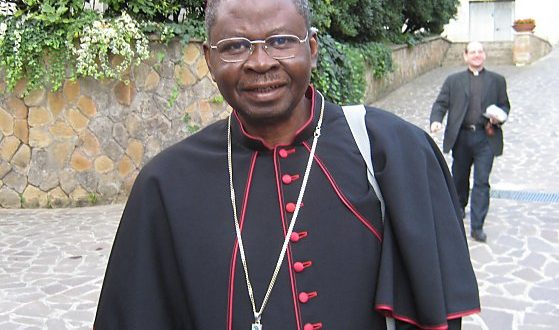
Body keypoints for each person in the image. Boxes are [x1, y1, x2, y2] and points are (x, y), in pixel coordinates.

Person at [94, 0, 480, 329]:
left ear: (311, 48)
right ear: (209, 60)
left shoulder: (395, 154)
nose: (260, 63)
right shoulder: (165, 185)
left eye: (280, 41)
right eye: (234, 46)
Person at [430, 41, 510, 243]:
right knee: (459, 179)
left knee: (482, 182)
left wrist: (499, 116)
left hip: (486, 137)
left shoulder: (497, 80)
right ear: (465, 56)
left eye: (480, 51)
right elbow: (441, 103)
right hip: (462, 138)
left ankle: (477, 227)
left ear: (484, 55)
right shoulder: (453, 80)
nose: (476, 55)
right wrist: (436, 120)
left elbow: (504, 106)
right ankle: (458, 212)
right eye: (472, 52)